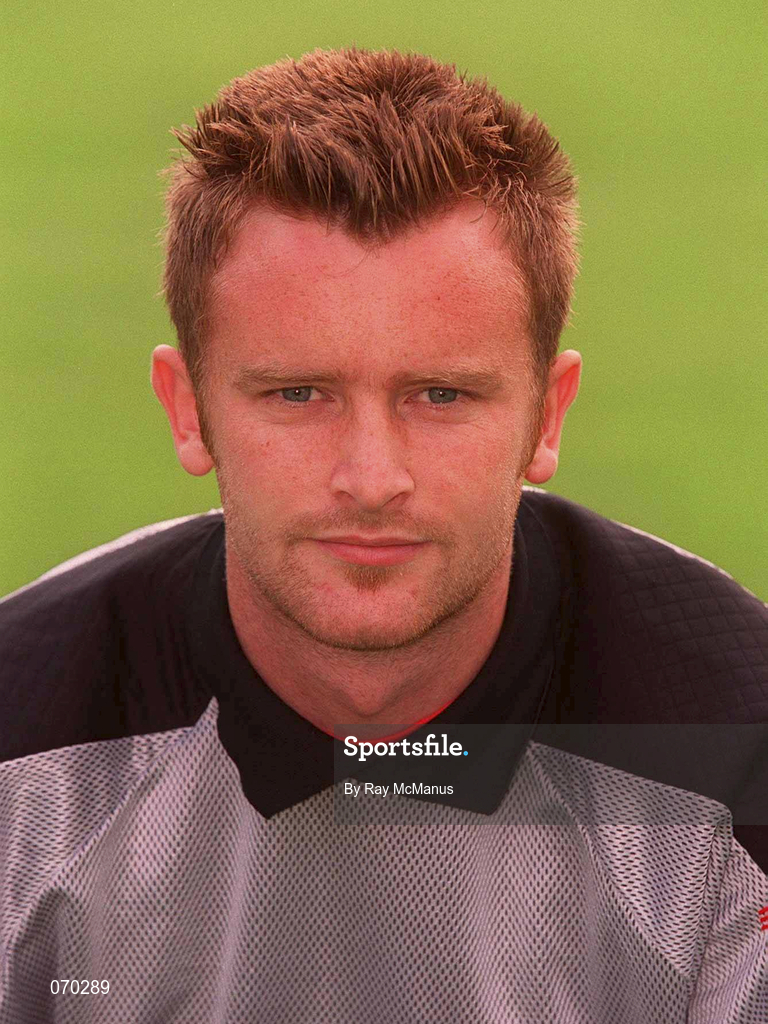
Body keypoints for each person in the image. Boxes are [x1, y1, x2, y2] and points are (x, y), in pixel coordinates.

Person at [1, 45, 766, 1023]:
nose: (372, 478)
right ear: (187, 408)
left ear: (546, 417)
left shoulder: (740, 745)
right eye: (299, 393)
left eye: (441, 394)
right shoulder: (18, 744)